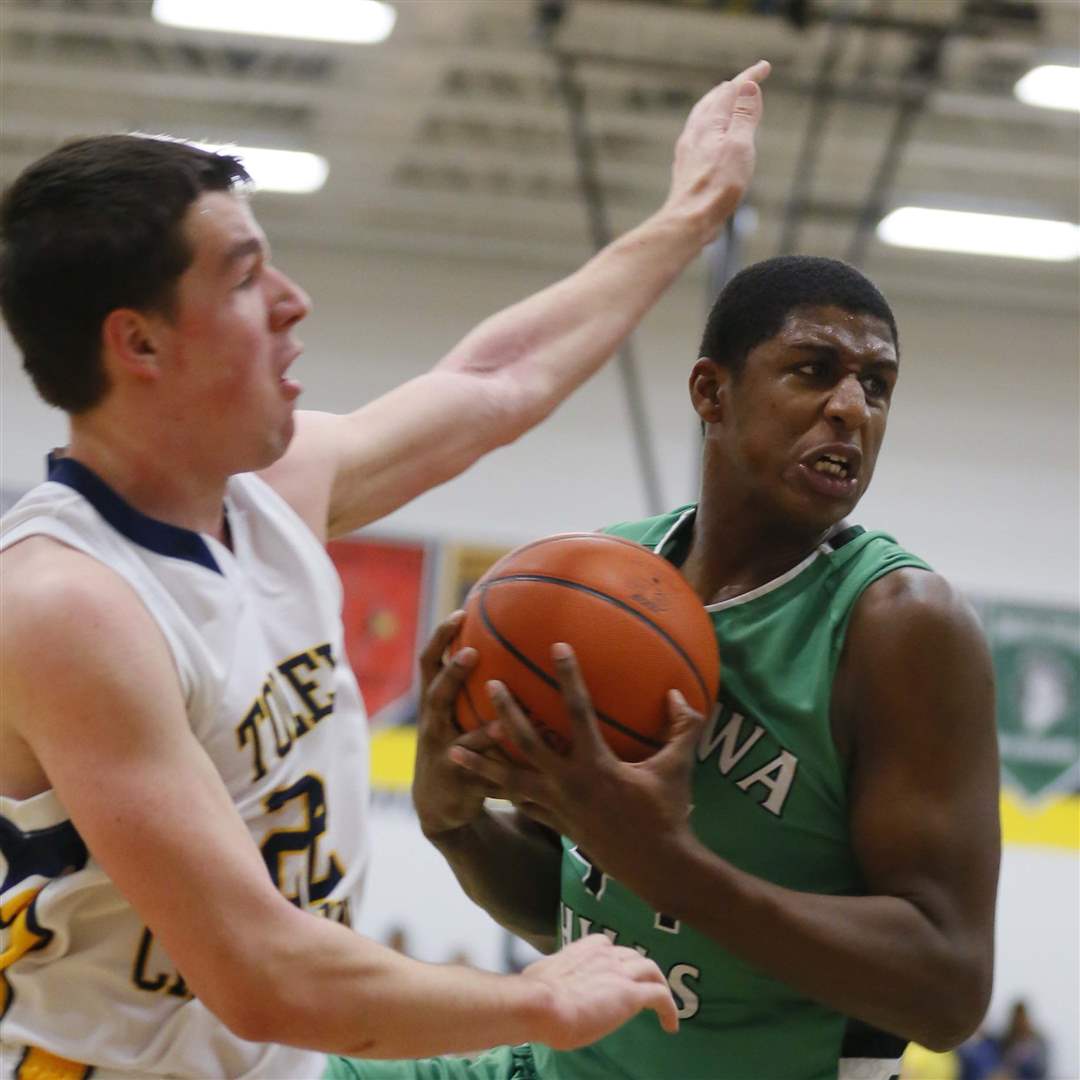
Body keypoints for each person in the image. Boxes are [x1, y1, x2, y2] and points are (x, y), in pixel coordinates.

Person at [0, 62, 770, 1080]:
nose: (292, 302)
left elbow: (498, 377)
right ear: (137, 342)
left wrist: (690, 215)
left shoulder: (275, 492)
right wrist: (538, 1000)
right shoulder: (67, 605)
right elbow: (262, 972)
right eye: (245, 278)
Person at [391, 254, 1002, 1080]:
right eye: (814, 370)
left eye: (877, 385)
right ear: (711, 392)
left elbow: (948, 992)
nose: (852, 408)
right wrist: (456, 826)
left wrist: (671, 869)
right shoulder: (604, 578)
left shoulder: (901, 625)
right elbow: (561, 910)